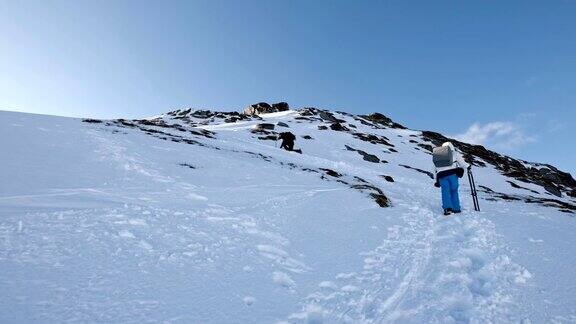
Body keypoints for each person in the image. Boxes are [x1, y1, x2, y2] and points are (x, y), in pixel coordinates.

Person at [433, 142, 470, 215]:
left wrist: (436, 180)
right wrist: (468, 166)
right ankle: (456, 208)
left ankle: (448, 209)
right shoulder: (455, 154)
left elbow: (435, 169)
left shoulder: (438, 155)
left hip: (441, 176)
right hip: (453, 175)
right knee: (454, 191)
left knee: (445, 192)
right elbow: (463, 164)